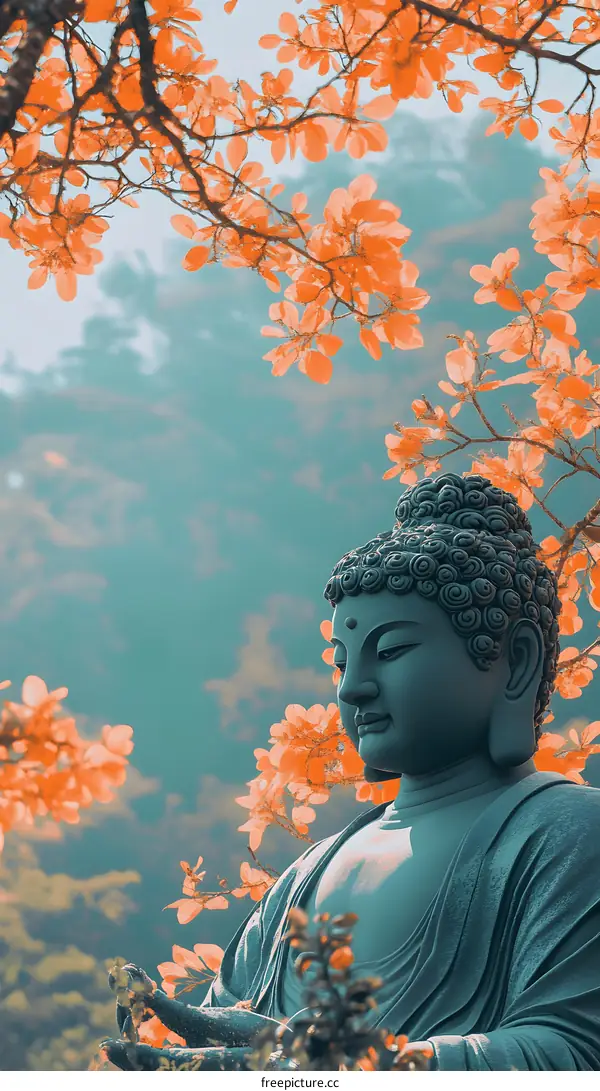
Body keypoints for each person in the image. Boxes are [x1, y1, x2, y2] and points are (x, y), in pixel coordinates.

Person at [103, 472, 600, 1071]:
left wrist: (359, 1067)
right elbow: (262, 1056)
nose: (354, 686)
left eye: (390, 652)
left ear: (515, 663)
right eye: (341, 660)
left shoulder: (571, 833)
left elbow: (574, 1054)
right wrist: (211, 1051)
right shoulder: (306, 874)